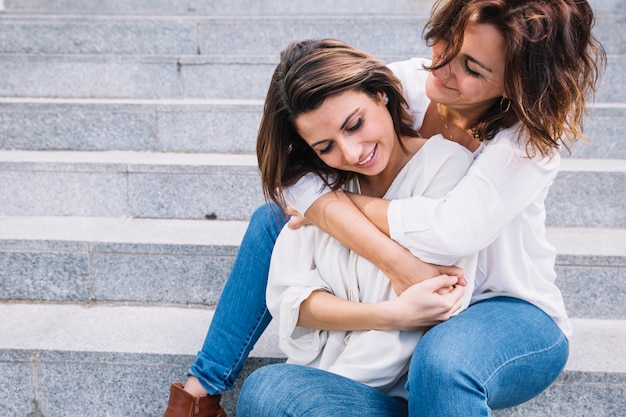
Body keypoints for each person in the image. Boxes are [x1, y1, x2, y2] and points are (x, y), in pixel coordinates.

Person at [162, 0, 605, 415]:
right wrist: (395, 265)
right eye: (447, 41)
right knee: (275, 221)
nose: (443, 69)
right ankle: (198, 396)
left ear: (517, 81)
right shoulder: (406, 85)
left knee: (443, 360)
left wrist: (338, 201)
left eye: (471, 67)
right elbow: (294, 180)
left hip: (505, 308)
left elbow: (450, 233)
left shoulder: (529, 144)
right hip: (403, 295)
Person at [256, 38, 478, 403]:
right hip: (315, 378)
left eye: (355, 124)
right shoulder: (320, 186)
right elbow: (291, 301)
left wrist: (313, 392)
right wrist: (390, 314)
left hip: (385, 395)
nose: (352, 153)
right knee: (265, 389)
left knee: (275, 392)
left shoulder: (446, 168)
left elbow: (430, 309)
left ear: (380, 94)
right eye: (325, 147)